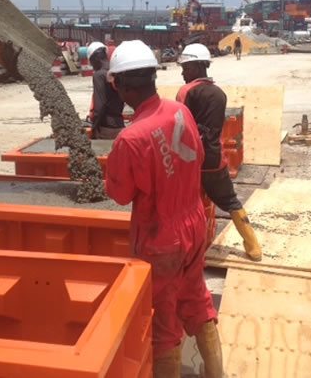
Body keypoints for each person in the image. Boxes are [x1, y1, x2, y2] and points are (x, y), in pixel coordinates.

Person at [104, 40, 223, 377]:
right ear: (152, 77)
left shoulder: (131, 139)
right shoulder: (180, 111)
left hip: (162, 239)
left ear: (121, 85)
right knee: (196, 298)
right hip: (194, 223)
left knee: (163, 321)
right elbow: (198, 156)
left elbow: (120, 194)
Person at [176, 43, 261, 262]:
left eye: (185, 68)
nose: (183, 73)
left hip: (191, 161)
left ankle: (188, 252)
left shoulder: (186, 91)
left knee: (185, 206)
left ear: (196, 67)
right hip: (214, 159)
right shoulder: (219, 94)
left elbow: (180, 128)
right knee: (231, 201)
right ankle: (253, 246)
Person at [87, 41, 125, 139]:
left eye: (91, 62)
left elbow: (100, 106)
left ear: (95, 58)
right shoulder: (115, 71)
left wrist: (94, 127)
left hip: (106, 129)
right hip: (119, 125)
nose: (92, 66)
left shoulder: (99, 75)